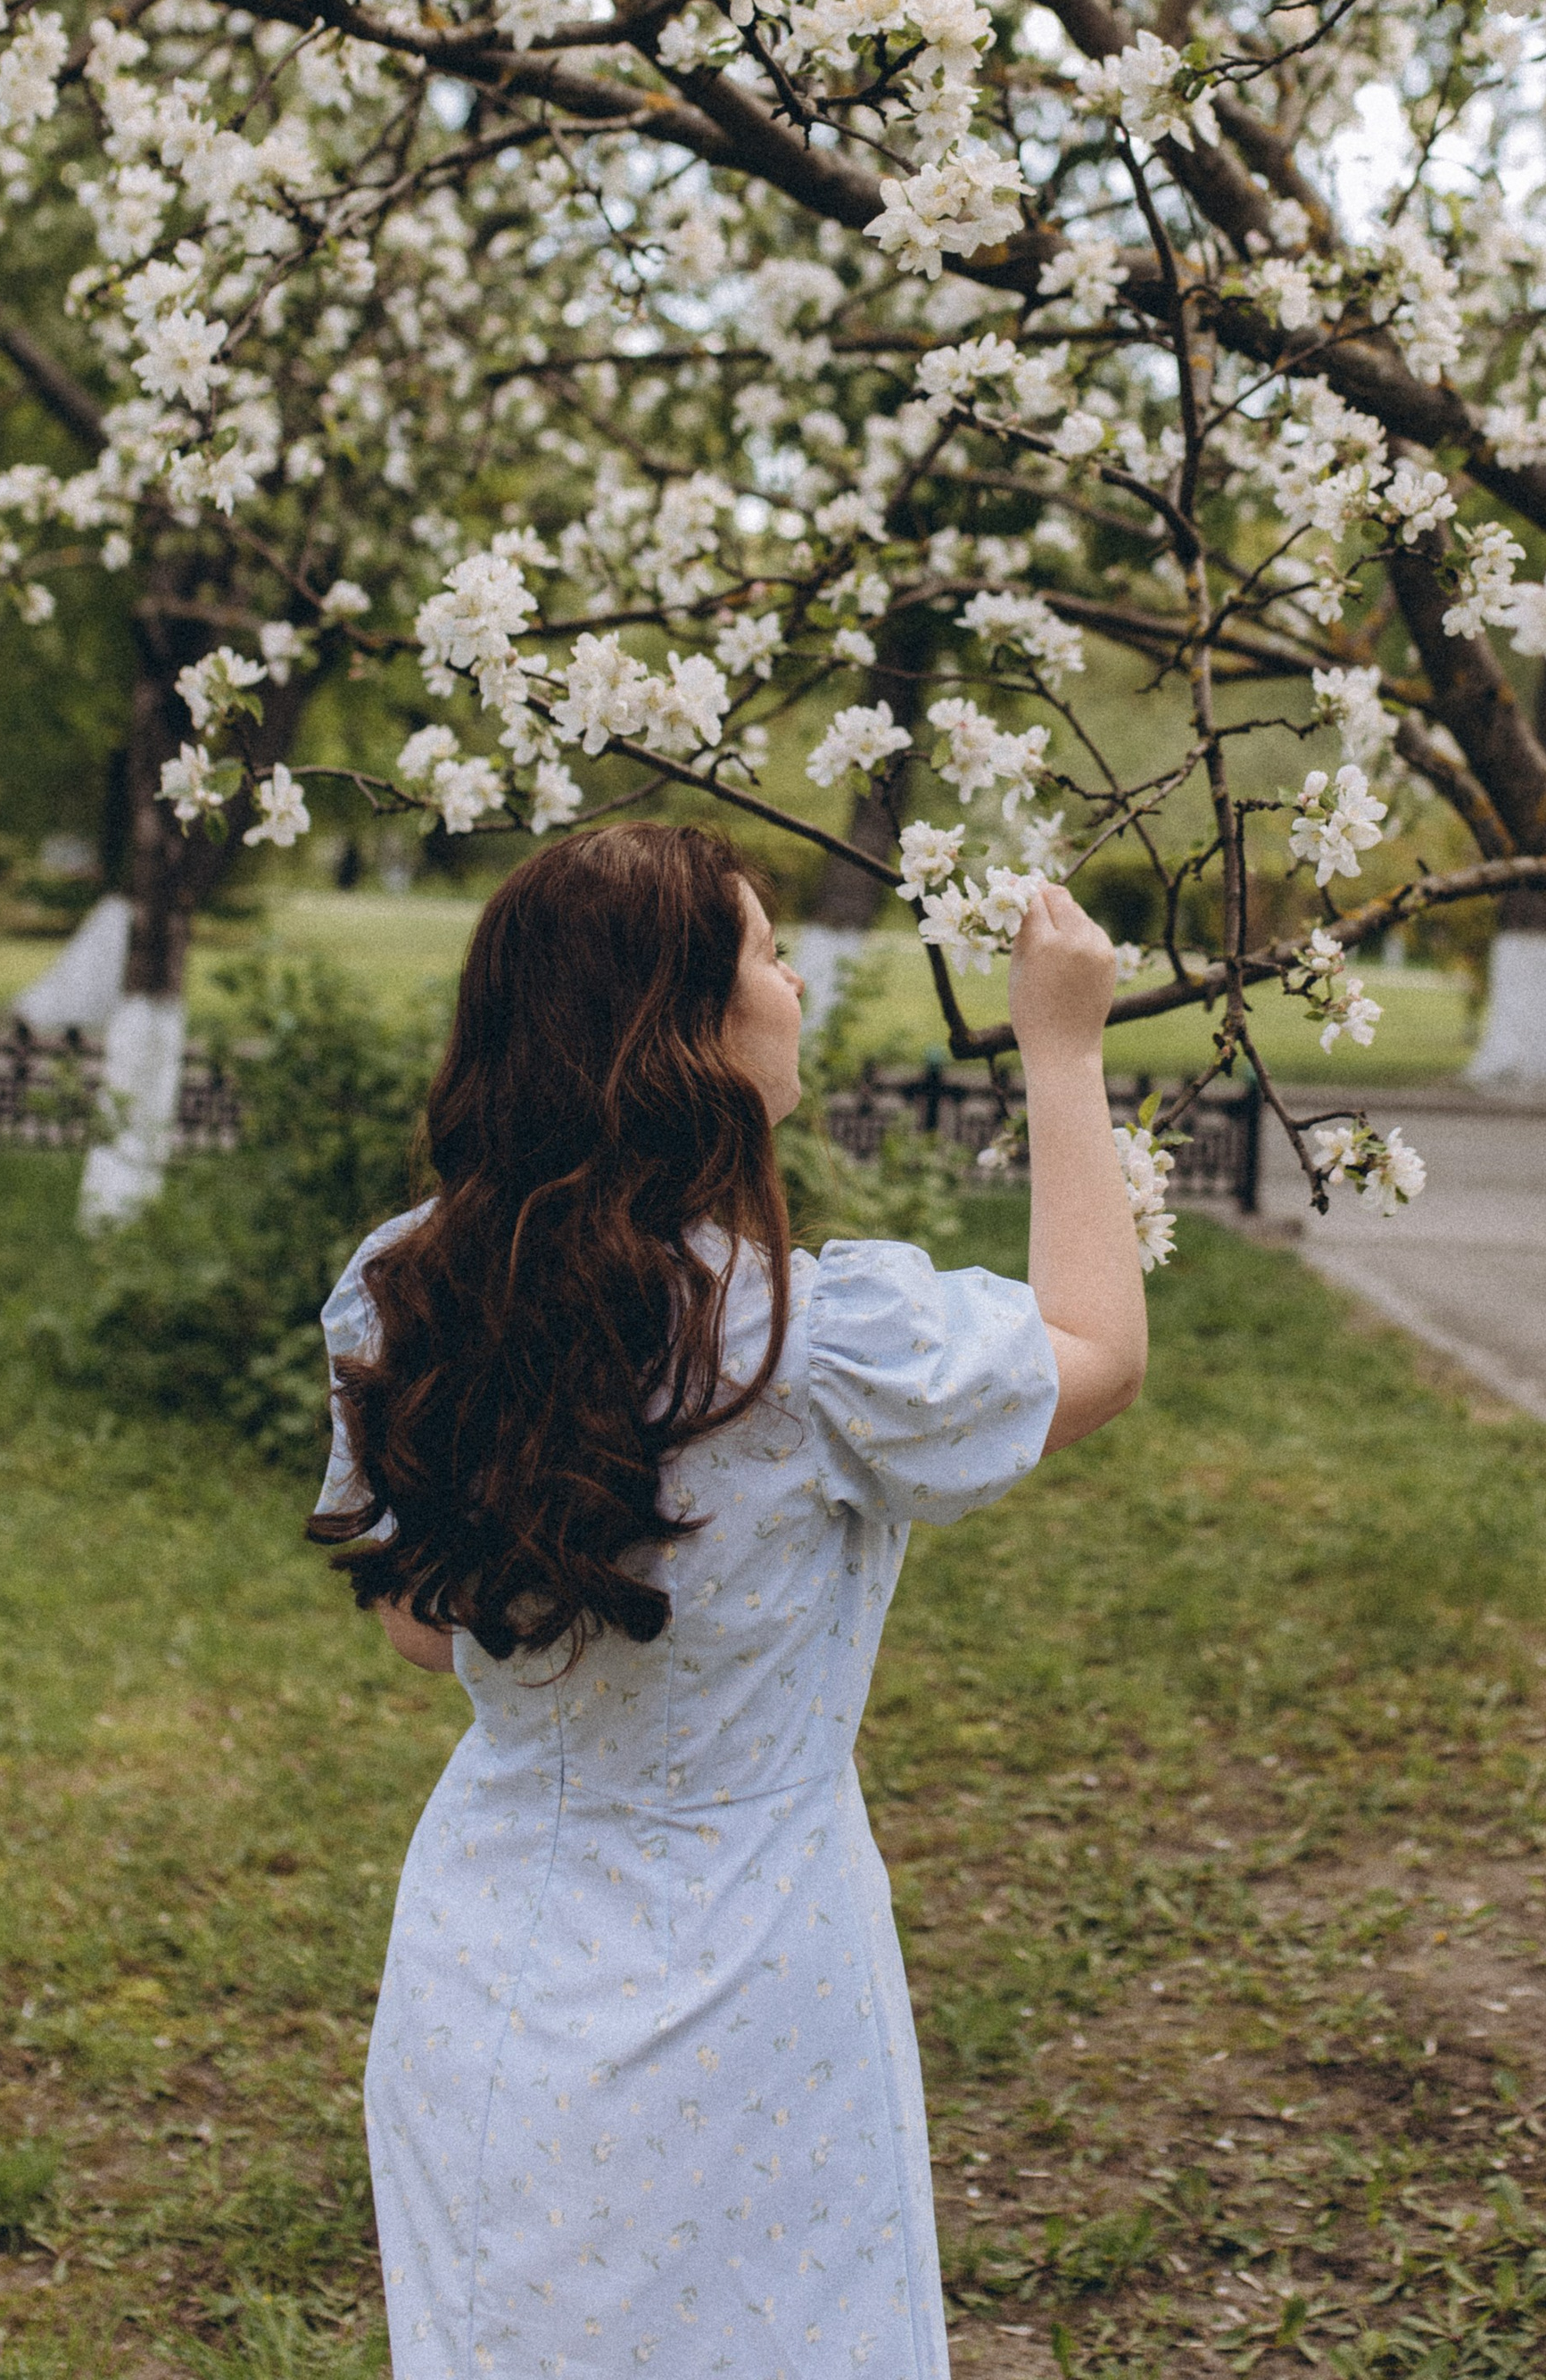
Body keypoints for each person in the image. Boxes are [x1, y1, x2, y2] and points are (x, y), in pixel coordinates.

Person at [309, 819, 1145, 2379]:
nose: (797, 981)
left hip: (483, 1970)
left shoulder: (409, 1291)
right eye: (767, 953)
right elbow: (1095, 1349)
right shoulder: (810, 1350)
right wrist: (1064, 1051)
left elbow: (424, 1630)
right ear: (682, 1030)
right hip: (752, 1975)